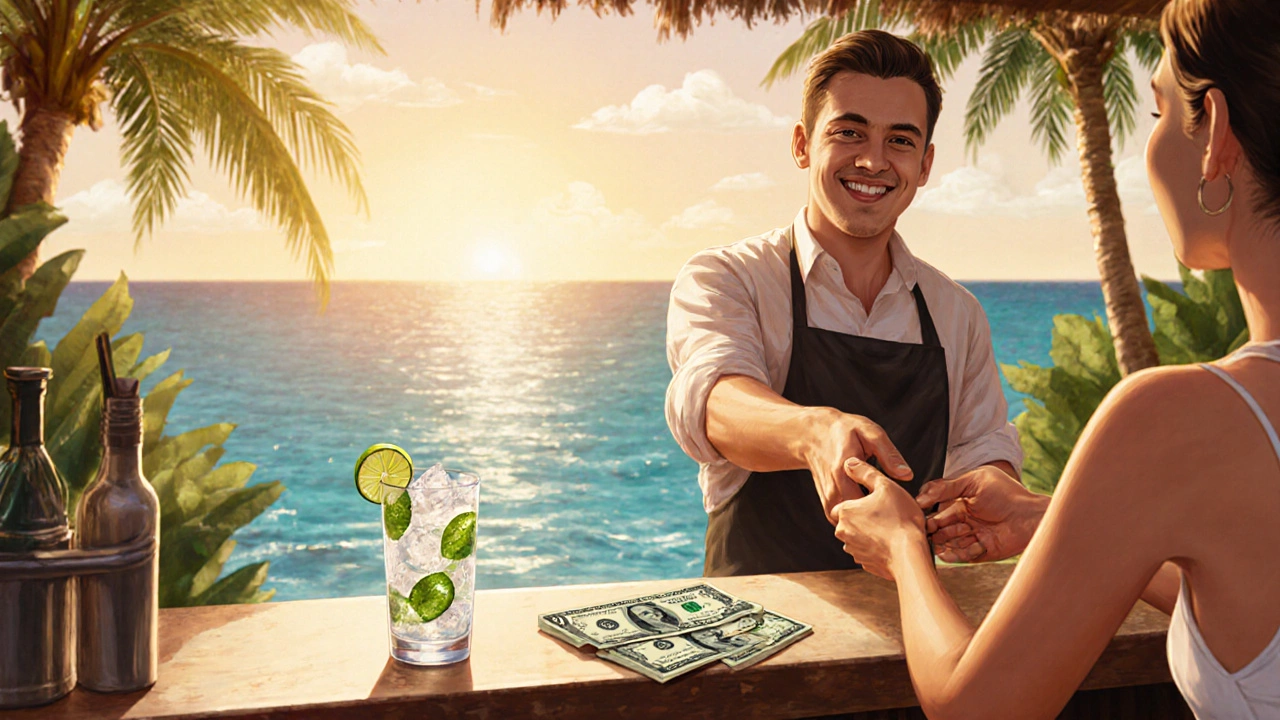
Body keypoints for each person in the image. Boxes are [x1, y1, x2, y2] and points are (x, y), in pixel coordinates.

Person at [831, 1, 1280, 717]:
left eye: (1160, 112)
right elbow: (1249, 591)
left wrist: (903, 548)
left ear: (1217, 133)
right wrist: (1051, 521)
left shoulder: (1180, 416)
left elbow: (976, 708)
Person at [665, 29, 1022, 577]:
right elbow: (713, 401)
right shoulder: (730, 277)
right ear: (802, 144)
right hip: (752, 618)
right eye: (849, 132)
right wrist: (816, 433)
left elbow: (984, 451)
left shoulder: (957, 313)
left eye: (899, 141)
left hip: (909, 620)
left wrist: (991, 492)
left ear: (925, 165)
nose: (873, 161)